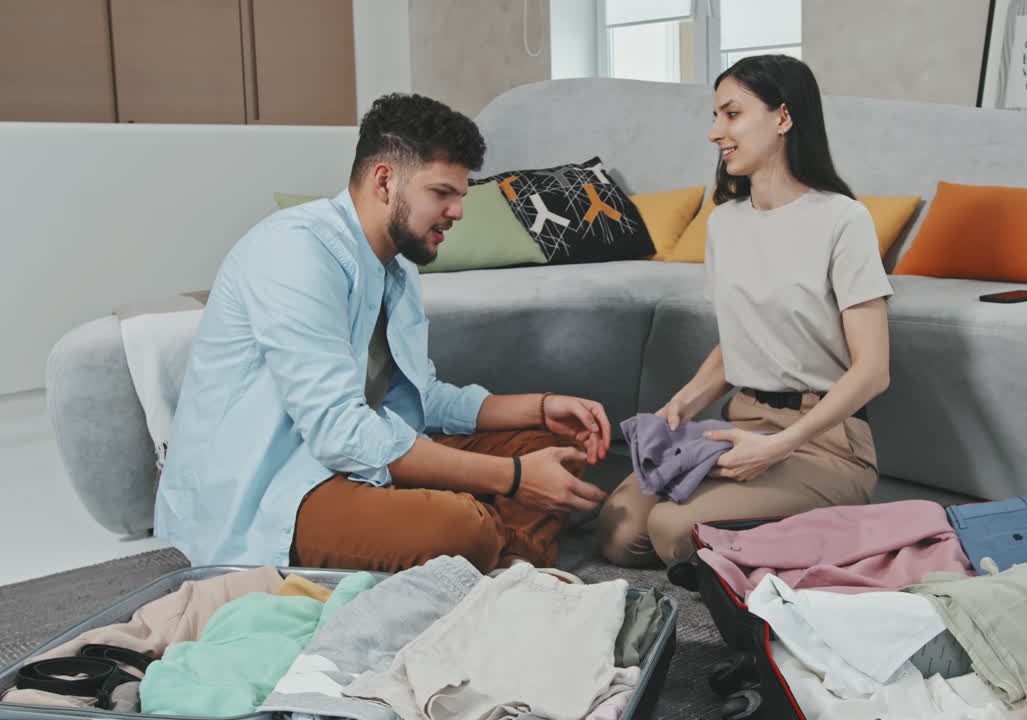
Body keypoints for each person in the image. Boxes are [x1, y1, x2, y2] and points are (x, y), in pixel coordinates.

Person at [156, 93, 610, 573]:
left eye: (461, 195)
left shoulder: (396, 267)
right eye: (442, 193)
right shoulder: (293, 252)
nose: (457, 212)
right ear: (385, 180)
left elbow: (419, 401)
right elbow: (339, 432)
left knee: (549, 449)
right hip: (277, 489)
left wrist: (541, 406)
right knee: (462, 527)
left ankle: (504, 569)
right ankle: (497, 558)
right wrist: (514, 479)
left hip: (357, 463)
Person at [597, 55, 893, 566]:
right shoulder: (725, 223)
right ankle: (745, 540)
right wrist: (684, 404)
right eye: (715, 116)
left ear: (783, 117)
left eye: (731, 114)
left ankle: (832, 530)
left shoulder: (843, 220)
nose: (716, 132)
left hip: (824, 441)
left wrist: (781, 447)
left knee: (671, 529)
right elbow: (740, 340)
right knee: (617, 529)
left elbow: (873, 370)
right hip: (742, 424)